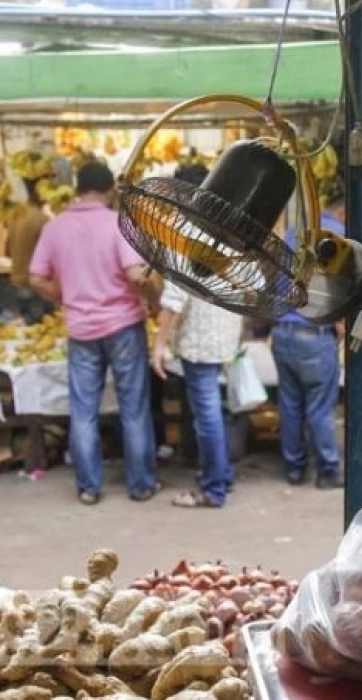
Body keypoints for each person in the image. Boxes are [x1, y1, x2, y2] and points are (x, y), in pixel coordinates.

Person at [28, 159, 163, 505]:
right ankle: (141, 485)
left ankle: (89, 487)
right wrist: (152, 299)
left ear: (76, 189)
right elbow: (136, 275)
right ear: (110, 190)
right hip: (124, 326)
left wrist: (61, 295)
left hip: (80, 329)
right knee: (133, 407)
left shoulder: (55, 227)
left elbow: (35, 277)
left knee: (83, 410)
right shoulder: (118, 223)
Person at [152, 163, 245, 508]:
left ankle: (214, 487)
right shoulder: (231, 232)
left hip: (197, 339)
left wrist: (159, 343)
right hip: (224, 336)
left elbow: (174, 299)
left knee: (206, 413)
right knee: (213, 411)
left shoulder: (185, 236)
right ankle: (221, 475)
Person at [271, 191, 346, 489]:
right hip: (313, 336)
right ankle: (328, 469)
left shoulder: (293, 233)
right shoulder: (336, 237)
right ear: (344, 213)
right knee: (319, 408)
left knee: (290, 405)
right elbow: (338, 290)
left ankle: (294, 468)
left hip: (282, 334)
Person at [7, 178, 55, 324]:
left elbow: (9, 249)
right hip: (35, 288)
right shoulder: (43, 220)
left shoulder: (15, 217)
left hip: (16, 283)